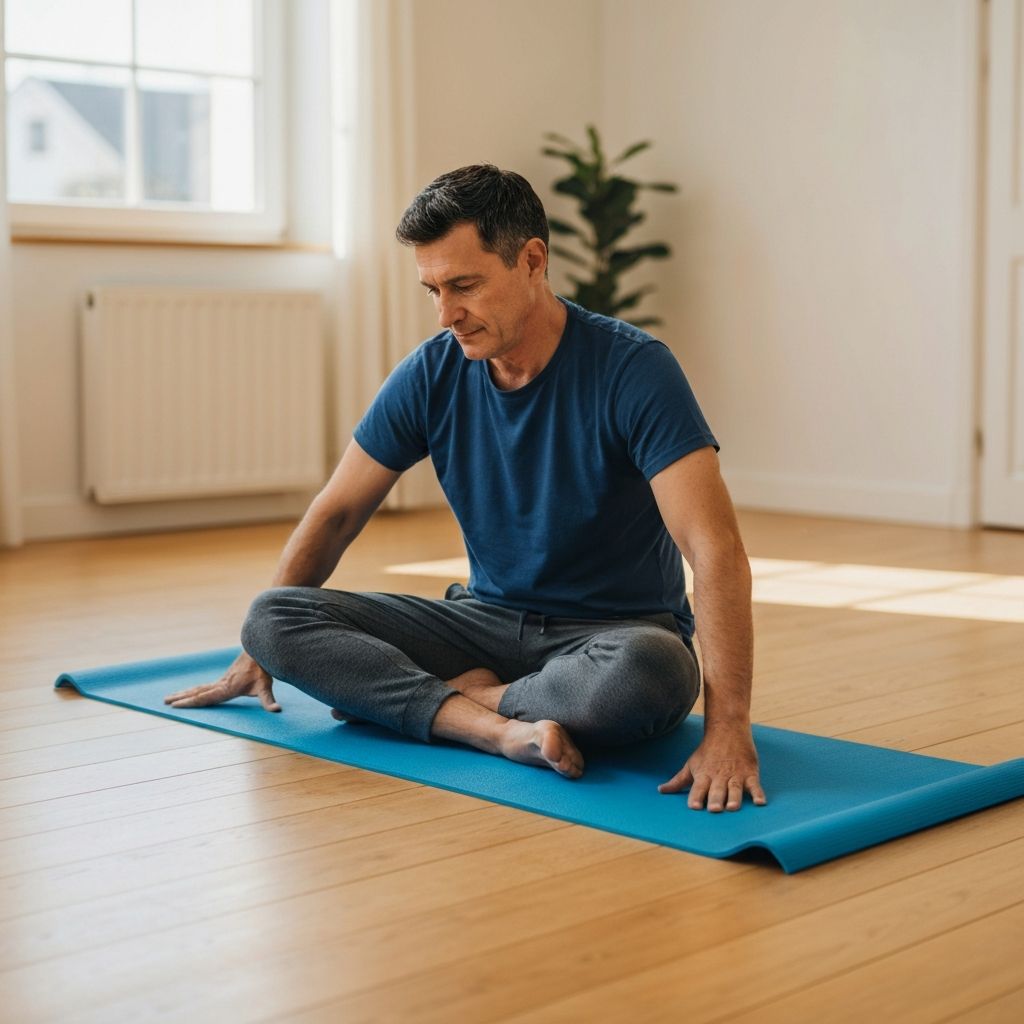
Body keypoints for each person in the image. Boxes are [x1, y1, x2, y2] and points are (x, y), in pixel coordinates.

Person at [165, 164, 766, 813]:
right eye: (432, 290)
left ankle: (467, 696)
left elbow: (714, 549)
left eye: (465, 286)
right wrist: (258, 653)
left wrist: (728, 730)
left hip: (614, 637)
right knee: (272, 615)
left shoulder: (634, 370)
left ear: (532, 261)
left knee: (653, 674)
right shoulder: (432, 372)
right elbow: (336, 513)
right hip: (484, 621)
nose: (447, 313)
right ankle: (493, 727)